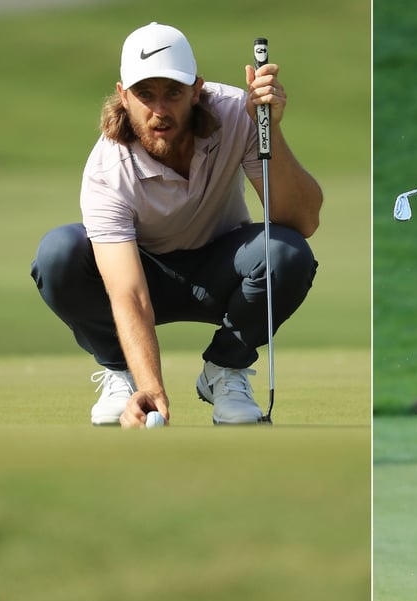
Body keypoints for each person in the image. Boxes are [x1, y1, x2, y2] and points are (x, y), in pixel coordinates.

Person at [31, 22, 323, 426]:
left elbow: (302, 220)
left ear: (196, 90)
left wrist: (268, 126)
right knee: (58, 254)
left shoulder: (238, 114)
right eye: (145, 94)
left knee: (286, 252)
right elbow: (129, 294)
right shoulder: (107, 170)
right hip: (144, 274)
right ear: (123, 96)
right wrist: (150, 388)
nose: (160, 110)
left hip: (223, 269)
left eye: (173, 92)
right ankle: (123, 373)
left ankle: (226, 369)